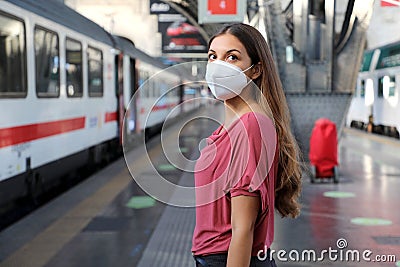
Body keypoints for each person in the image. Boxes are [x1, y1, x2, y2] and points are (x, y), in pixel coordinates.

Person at [192, 23, 302, 267]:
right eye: (213, 56)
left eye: (232, 57)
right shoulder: (234, 126)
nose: (218, 66)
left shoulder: (251, 125)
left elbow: (243, 229)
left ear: (256, 70)